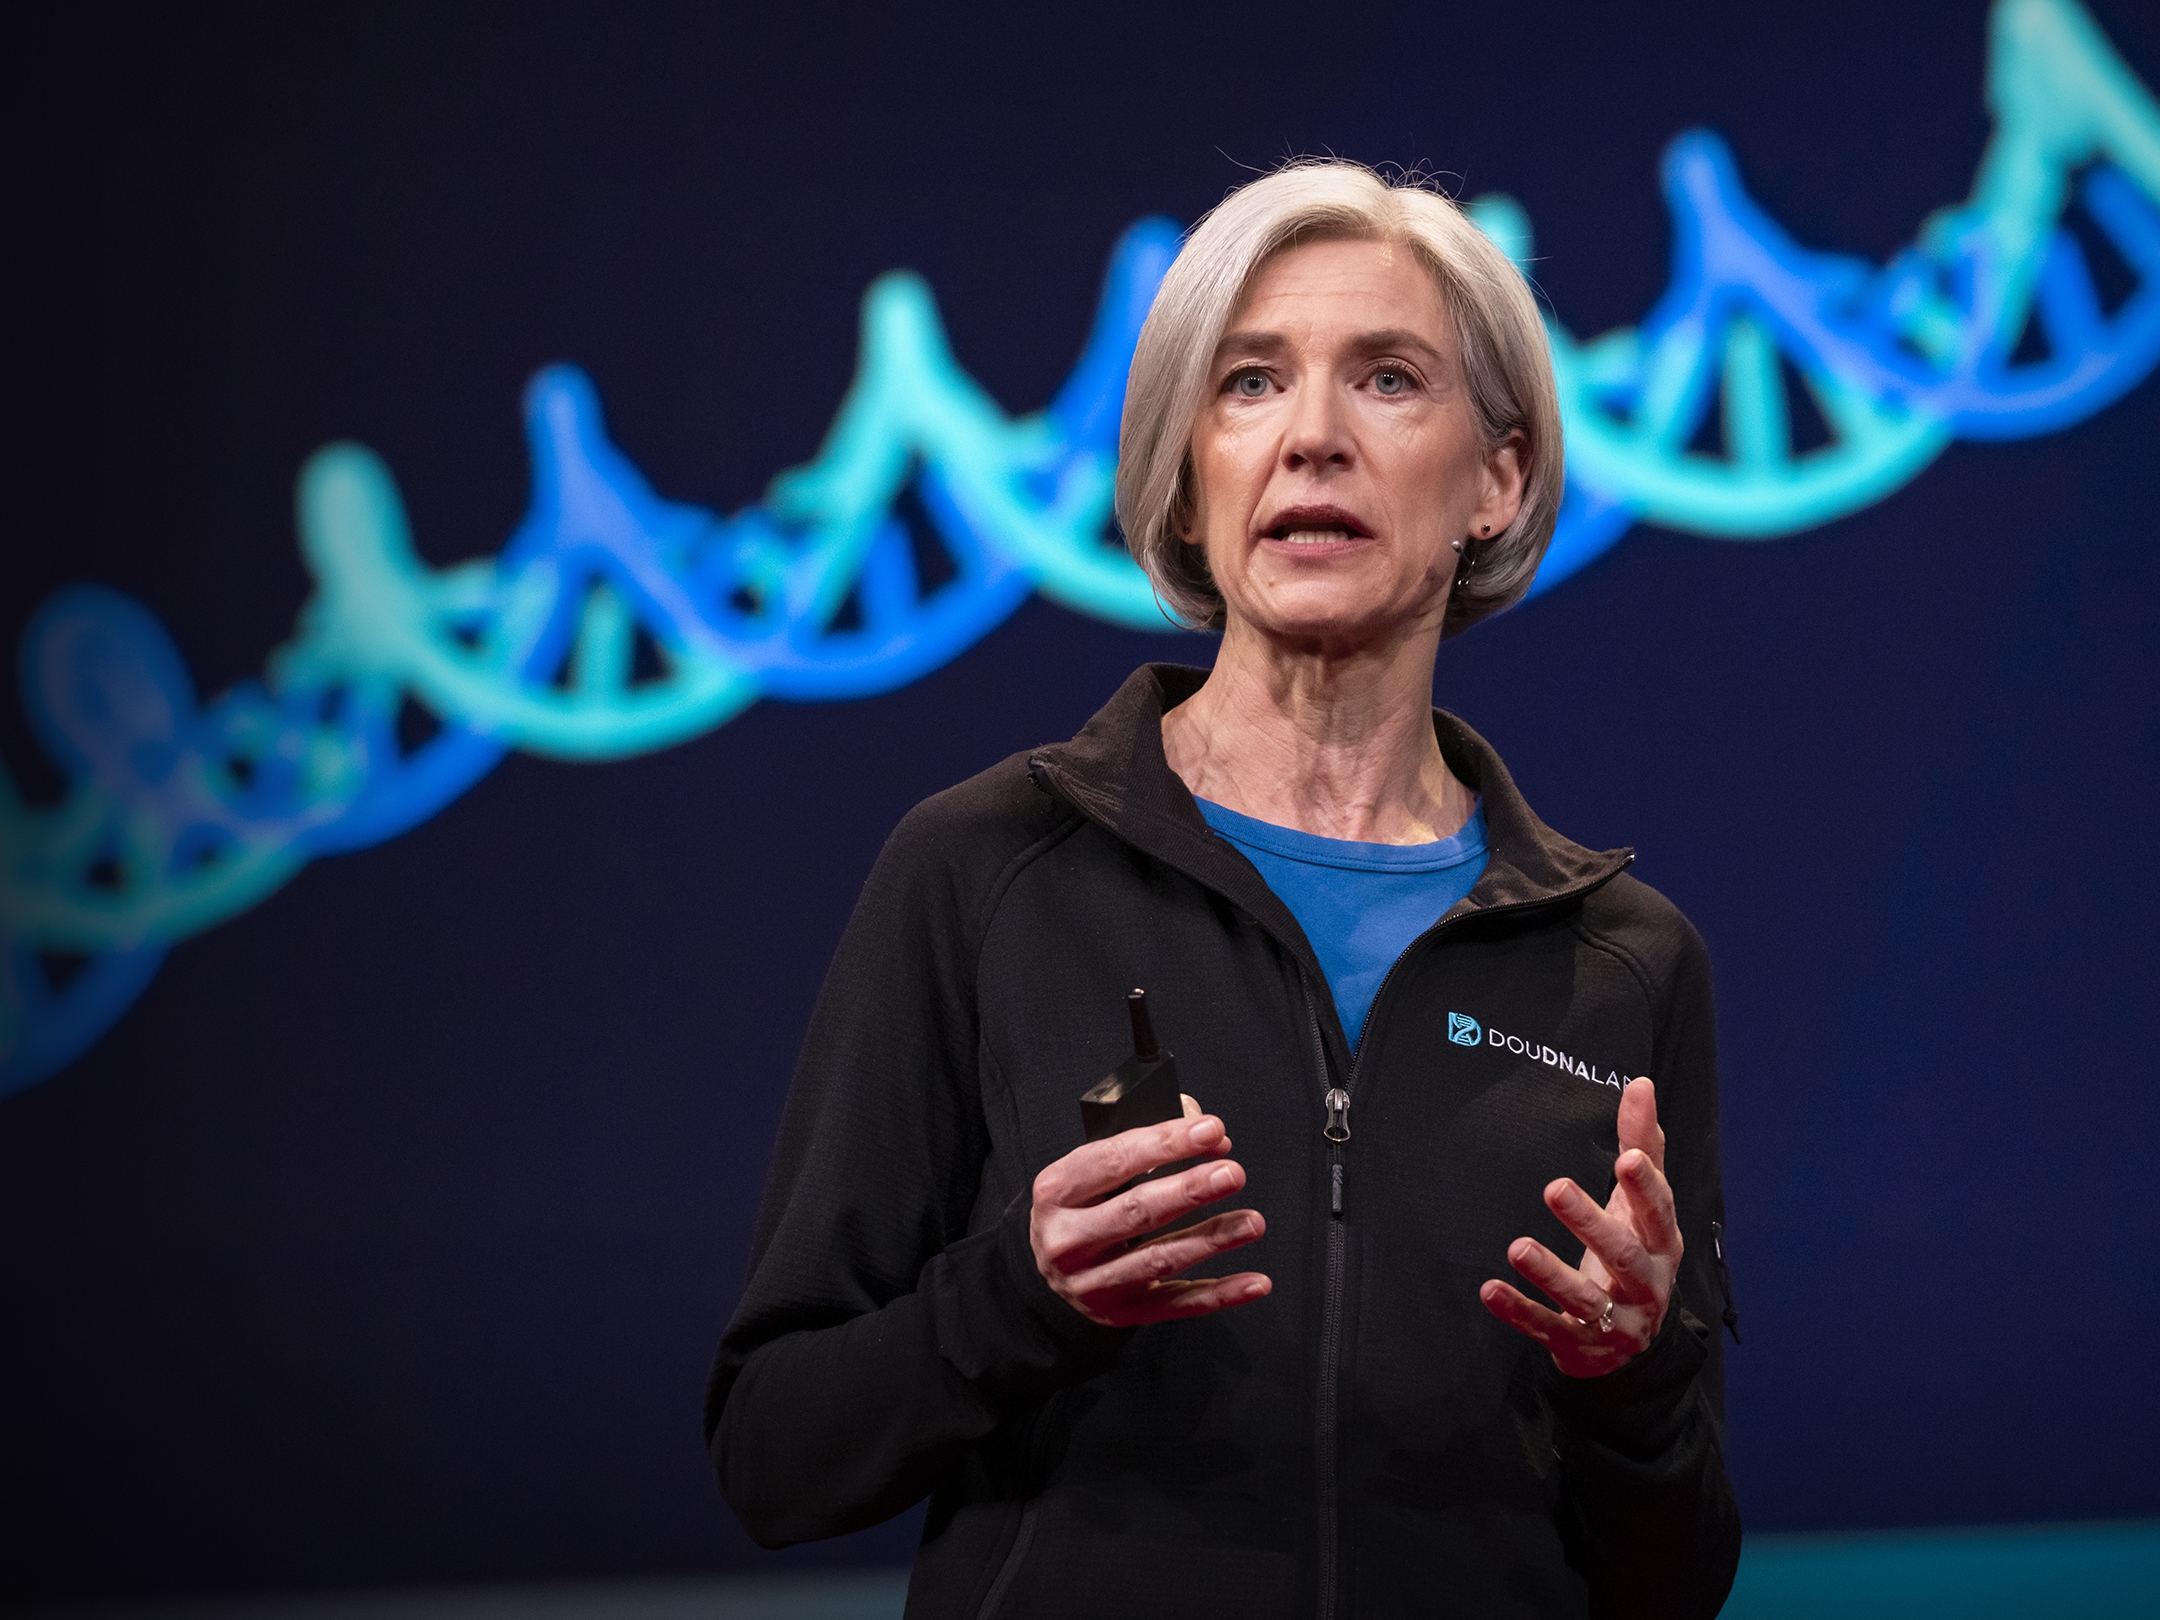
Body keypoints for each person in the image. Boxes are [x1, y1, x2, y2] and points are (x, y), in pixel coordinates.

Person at [706, 159, 1742, 1619]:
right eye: (1250, 384)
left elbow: (1676, 1580)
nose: (1311, 438)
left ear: (1498, 478)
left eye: (1388, 380)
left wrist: (1632, 1380)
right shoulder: (987, 870)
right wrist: (1025, 1296)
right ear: (1187, 481)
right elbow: (774, 1453)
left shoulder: (1624, 965)